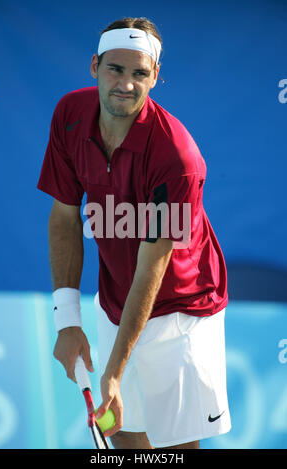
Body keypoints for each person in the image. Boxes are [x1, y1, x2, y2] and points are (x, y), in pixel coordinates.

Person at [37, 16, 231, 450]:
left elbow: (152, 268)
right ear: (94, 66)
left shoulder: (177, 156)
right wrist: (67, 321)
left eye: (140, 73)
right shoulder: (70, 115)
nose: (125, 83)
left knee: (174, 449)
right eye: (116, 69)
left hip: (182, 308)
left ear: (155, 77)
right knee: (125, 438)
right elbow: (65, 218)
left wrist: (115, 371)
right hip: (115, 301)